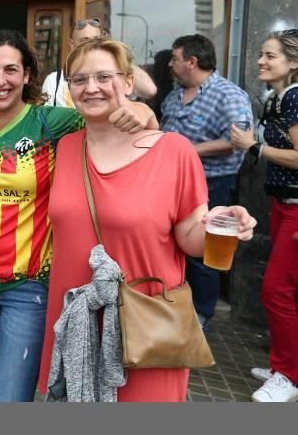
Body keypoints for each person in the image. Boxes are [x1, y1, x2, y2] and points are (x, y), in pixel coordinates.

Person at [39, 38, 255, 402]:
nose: (91, 88)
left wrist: (222, 225)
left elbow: (190, 238)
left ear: (127, 84)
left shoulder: (173, 151)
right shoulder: (66, 146)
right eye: (79, 80)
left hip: (147, 326)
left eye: (104, 76)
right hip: (77, 323)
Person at [0, 30, 156, 402]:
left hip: (27, 287)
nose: (0, 81)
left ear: (28, 75)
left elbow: (108, 117)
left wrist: (141, 109)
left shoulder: (54, 122)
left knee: (8, 400)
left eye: (11, 70)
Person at [161, 34, 254, 330]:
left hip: (212, 183)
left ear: (192, 61)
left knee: (204, 252)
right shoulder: (174, 94)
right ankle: (174, 307)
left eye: (175, 59)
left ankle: (201, 316)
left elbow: (238, 140)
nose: (171, 65)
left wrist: (186, 151)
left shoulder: (229, 94)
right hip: (171, 182)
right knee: (173, 244)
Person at [230, 29, 298, 402]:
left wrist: (254, 146)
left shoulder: (295, 98)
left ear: (294, 62)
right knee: (284, 290)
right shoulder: (281, 97)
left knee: (277, 291)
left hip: (295, 209)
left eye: (270, 56)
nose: (260, 60)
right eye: (261, 54)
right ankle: (284, 364)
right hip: (282, 204)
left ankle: (288, 377)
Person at [41, 18, 156, 107]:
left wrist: (116, 55)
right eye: (85, 41)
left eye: (96, 40)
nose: (92, 46)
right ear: (72, 45)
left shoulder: (116, 75)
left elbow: (149, 90)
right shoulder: (54, 81)